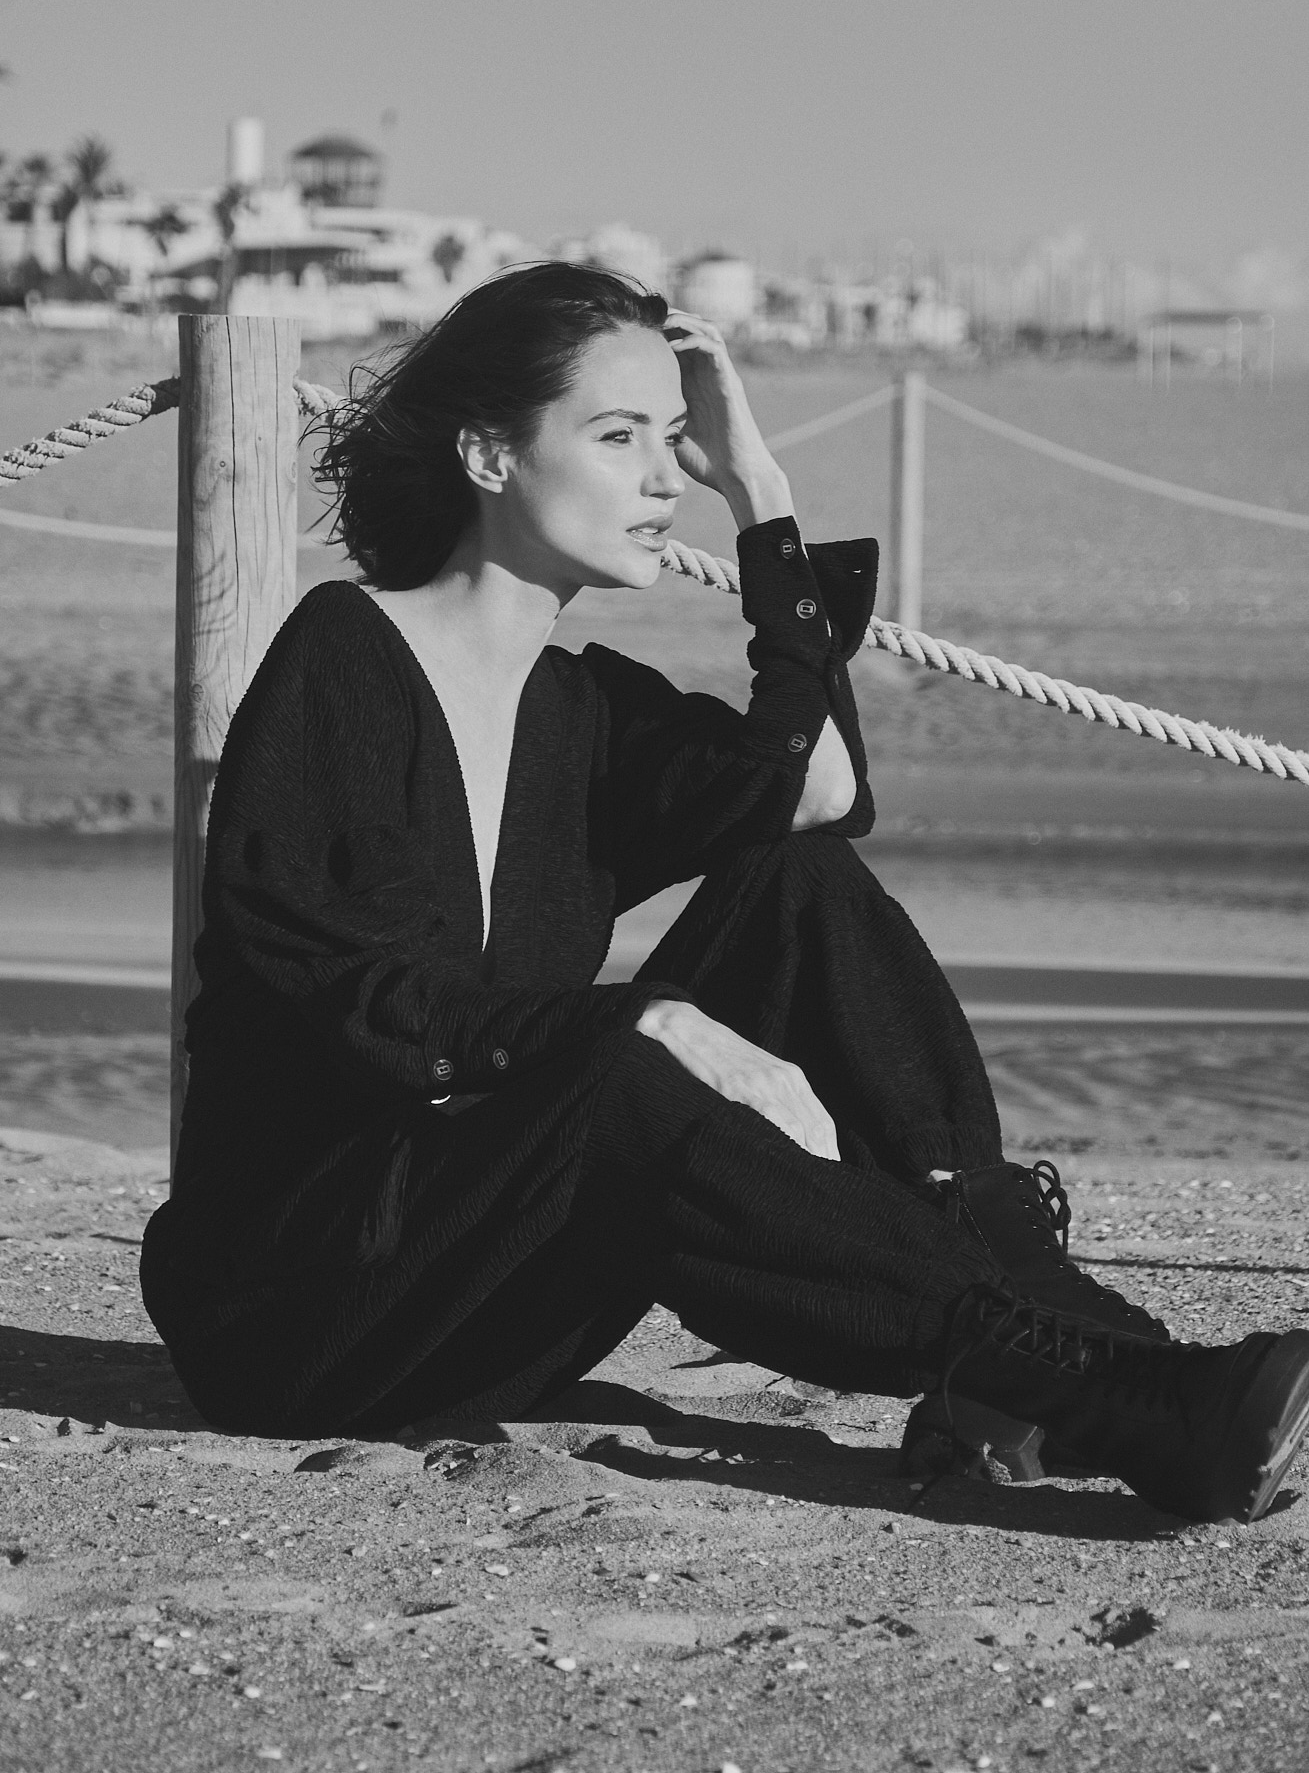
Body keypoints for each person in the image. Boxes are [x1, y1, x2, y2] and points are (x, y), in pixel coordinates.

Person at [141, 262, 1309, 1524]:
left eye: (673, 438)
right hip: (303, 1305)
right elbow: (347, 991)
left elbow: (814, 790)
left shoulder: (576, 710)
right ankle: (1081, 1382)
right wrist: (637, 1022)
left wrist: (764, 495)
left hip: (484, 1280)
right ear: (487, 452)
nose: (661, 477)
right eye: (618, 435)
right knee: (620, 1070)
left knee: (794, 883)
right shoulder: (342, 658)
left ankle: (1103, 1364)